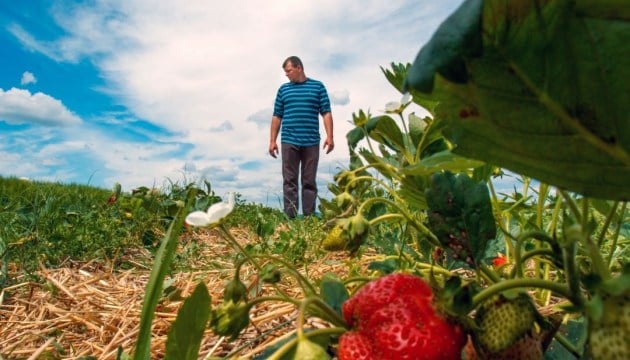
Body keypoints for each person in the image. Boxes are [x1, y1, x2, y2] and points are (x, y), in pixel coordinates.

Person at [269, 56, 334, 218]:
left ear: (299, 68)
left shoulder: (318, 87)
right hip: (289, 140)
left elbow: (326, 112)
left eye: (289, 71)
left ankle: (309, 217)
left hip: (311, 141)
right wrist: (272, 141)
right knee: (289, 180)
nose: (287, 75)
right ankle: (289, 217)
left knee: (309, 181)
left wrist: (330, 136)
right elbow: (277, 116)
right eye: (285, 72)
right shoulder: (283, 90)